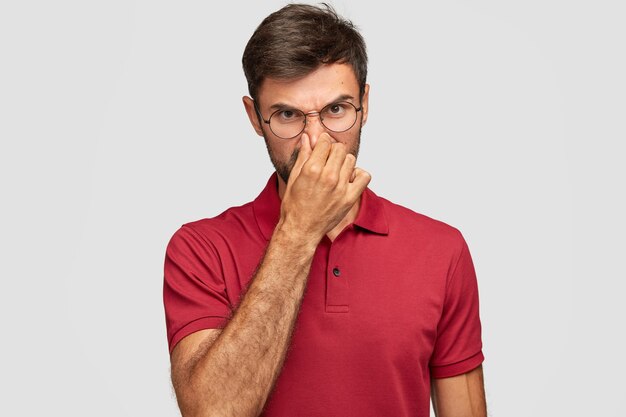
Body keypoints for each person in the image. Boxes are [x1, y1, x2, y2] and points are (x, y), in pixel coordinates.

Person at [163, 4, 486, 416]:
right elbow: (212, 412)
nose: (315, 141)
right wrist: (298, 231)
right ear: (255, 117)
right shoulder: (200, 248)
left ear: (364, 105)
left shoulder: (442, 249)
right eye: (287, 115)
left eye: (336, 110)